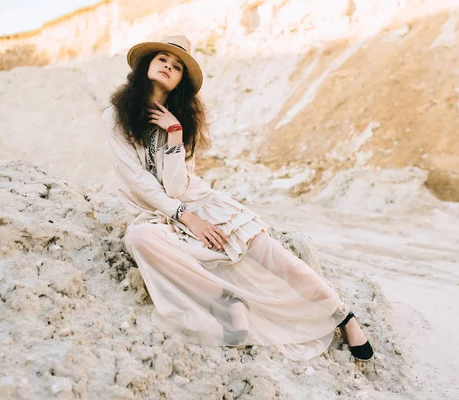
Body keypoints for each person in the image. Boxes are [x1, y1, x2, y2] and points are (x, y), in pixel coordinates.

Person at [101, 35, 374, 362]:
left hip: (203, 204)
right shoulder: (114, 117)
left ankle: (343, 316)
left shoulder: (182, 121)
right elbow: (135, 177)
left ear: (179, 83)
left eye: (176, 67)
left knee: (273, 257)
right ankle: (226, 301)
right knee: (140, 239)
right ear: (147, 65)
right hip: (161, 215)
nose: (168, 67)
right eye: (163, 60)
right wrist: (183, 216)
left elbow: (175, 185)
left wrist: (174, 133)